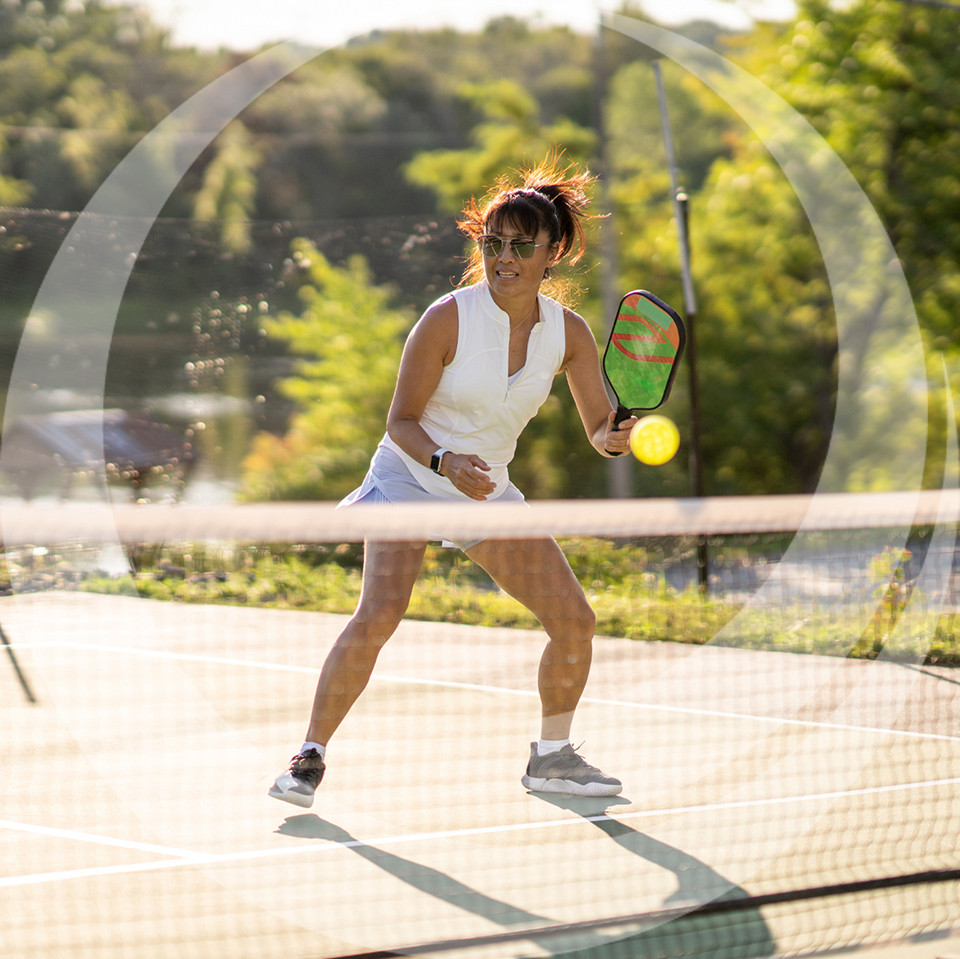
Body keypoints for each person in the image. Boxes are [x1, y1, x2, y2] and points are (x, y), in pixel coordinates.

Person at [269, 158, 637, 807]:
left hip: (485, 490)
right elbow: (401, 421)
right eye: (491, 243)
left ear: (552, 252)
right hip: (412, 474)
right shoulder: (447, 318)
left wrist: (613, 437)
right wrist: (443, 461)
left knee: (574, 618)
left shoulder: (568, 334)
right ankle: (309, 756)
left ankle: (552, 757)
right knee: (380, 612)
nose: (503, 257)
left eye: (520, 246)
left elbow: (598, 427)